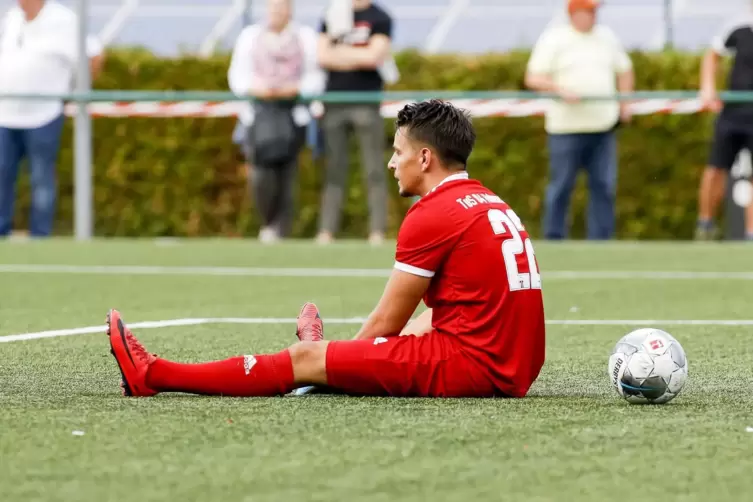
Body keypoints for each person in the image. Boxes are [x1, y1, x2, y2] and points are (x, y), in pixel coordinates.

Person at [106, 100, 546, 399]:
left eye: (397, 152)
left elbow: (384, 321)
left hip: (476, 368)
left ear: (425, 158)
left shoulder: (432, 213)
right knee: (413, 329)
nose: (392, 163)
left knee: (306, 358)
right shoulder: (490, 200)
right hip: (515, 364)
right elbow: (456, 307)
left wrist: (330, 362)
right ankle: (321, 355)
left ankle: (153, 375)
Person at [525, 0, 634, 240]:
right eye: (589, 10)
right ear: (574, 13)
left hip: (603, 127)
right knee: (561, 187)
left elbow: (625, 69)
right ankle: (554, 239)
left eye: (595, 11)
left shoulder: (606, 36)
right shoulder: (554, 38)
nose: (594, 15)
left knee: (604, 187)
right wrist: (559, 90)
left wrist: (625, 104)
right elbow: (533, 78)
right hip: (566, 129)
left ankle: (601, 241)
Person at [0, 0, 104, 238]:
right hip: (4, 116)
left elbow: (94, 55)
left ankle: (40, 235)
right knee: (2, 176)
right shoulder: (11, 17)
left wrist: (77, 90)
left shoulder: (64, 20)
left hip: (43, 116)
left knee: (41, 178)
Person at [227, 0, 325, 243]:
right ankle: (267, 222)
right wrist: (258, 89)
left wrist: (293, 89)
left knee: (287, 173)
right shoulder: (250, 36)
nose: (277, 13)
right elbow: (237, 77)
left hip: (292, 115)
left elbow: (315, 76)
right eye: (273, 8)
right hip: (259, 115)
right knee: (261, 173)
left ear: (290, 11)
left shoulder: (304, 37)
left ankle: (281, 228)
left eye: (282, 8)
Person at [315, 0, 397, 246]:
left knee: (374, 168)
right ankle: (326, 231)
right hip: (334, 102)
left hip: (367, 102)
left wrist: (339, 53)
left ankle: (377, 232)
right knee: (334, 169)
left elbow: (374, 57)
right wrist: (357, 55)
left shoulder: (380, 17)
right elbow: (321, 55)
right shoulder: (333, 12)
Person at [695, 19, 753, 240]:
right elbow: (713, 55)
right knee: (715, 169)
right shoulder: (739, 28)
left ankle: (751, 234)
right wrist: (708, 87)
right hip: (732, 114)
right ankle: (705, 224)